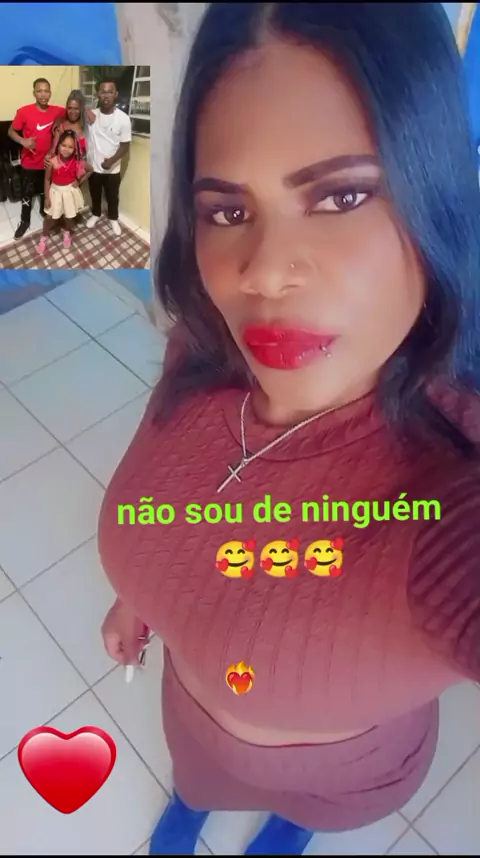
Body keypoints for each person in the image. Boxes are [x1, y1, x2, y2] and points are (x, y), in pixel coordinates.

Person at [98, 3, 480, 856]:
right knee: (199, 780)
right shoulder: (204, 343)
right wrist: (140, 594)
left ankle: (293, 826)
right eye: (227, 211)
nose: (264, 275)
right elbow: (169, 497)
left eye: (342, 195)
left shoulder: (453, 468)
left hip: (345, 773)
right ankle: (198, 797)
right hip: (195, 721)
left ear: (436, 196)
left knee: (307, 816)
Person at [8, 77, 66, 240]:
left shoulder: (57, 111)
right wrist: (23, 141)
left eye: (46, 91)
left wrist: (87, 111)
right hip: (29, 163)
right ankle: (24, 221)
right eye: (39, 91)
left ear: (50, 93)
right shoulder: (24, 112)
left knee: (45, 192)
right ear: (34, 93)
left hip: (47, 163)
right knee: (26, 194)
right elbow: (11, 131)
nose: (43, 94)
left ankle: (43, 211)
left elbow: (73, 110)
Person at [86, 78, 131, 237]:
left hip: (113, 168)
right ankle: (96, 214)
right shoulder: (92, 115)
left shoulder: (123, 119)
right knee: (95, 193)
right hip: (94, 167)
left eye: (110, 92)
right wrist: (85, 108)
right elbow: (71, 107)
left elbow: (125, 145)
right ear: (98, 94)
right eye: (103, 92)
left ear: (116, 94)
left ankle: (113, 218)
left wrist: (111, 161)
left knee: (112, 196)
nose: (106, 95)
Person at [37, 129, 93, 255]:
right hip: (55, 192)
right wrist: (47, 197)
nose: (66, 149)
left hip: (69, 192)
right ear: (58, 145)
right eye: (64, 145)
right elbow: (47, 179)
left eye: (70, 147)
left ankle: (67, 232)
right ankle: (44, 235)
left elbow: (91, 170)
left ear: (75, 148)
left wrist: (79, 181)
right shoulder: (52, 161)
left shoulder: (78, 161)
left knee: (69, 216)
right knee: (50, 217)